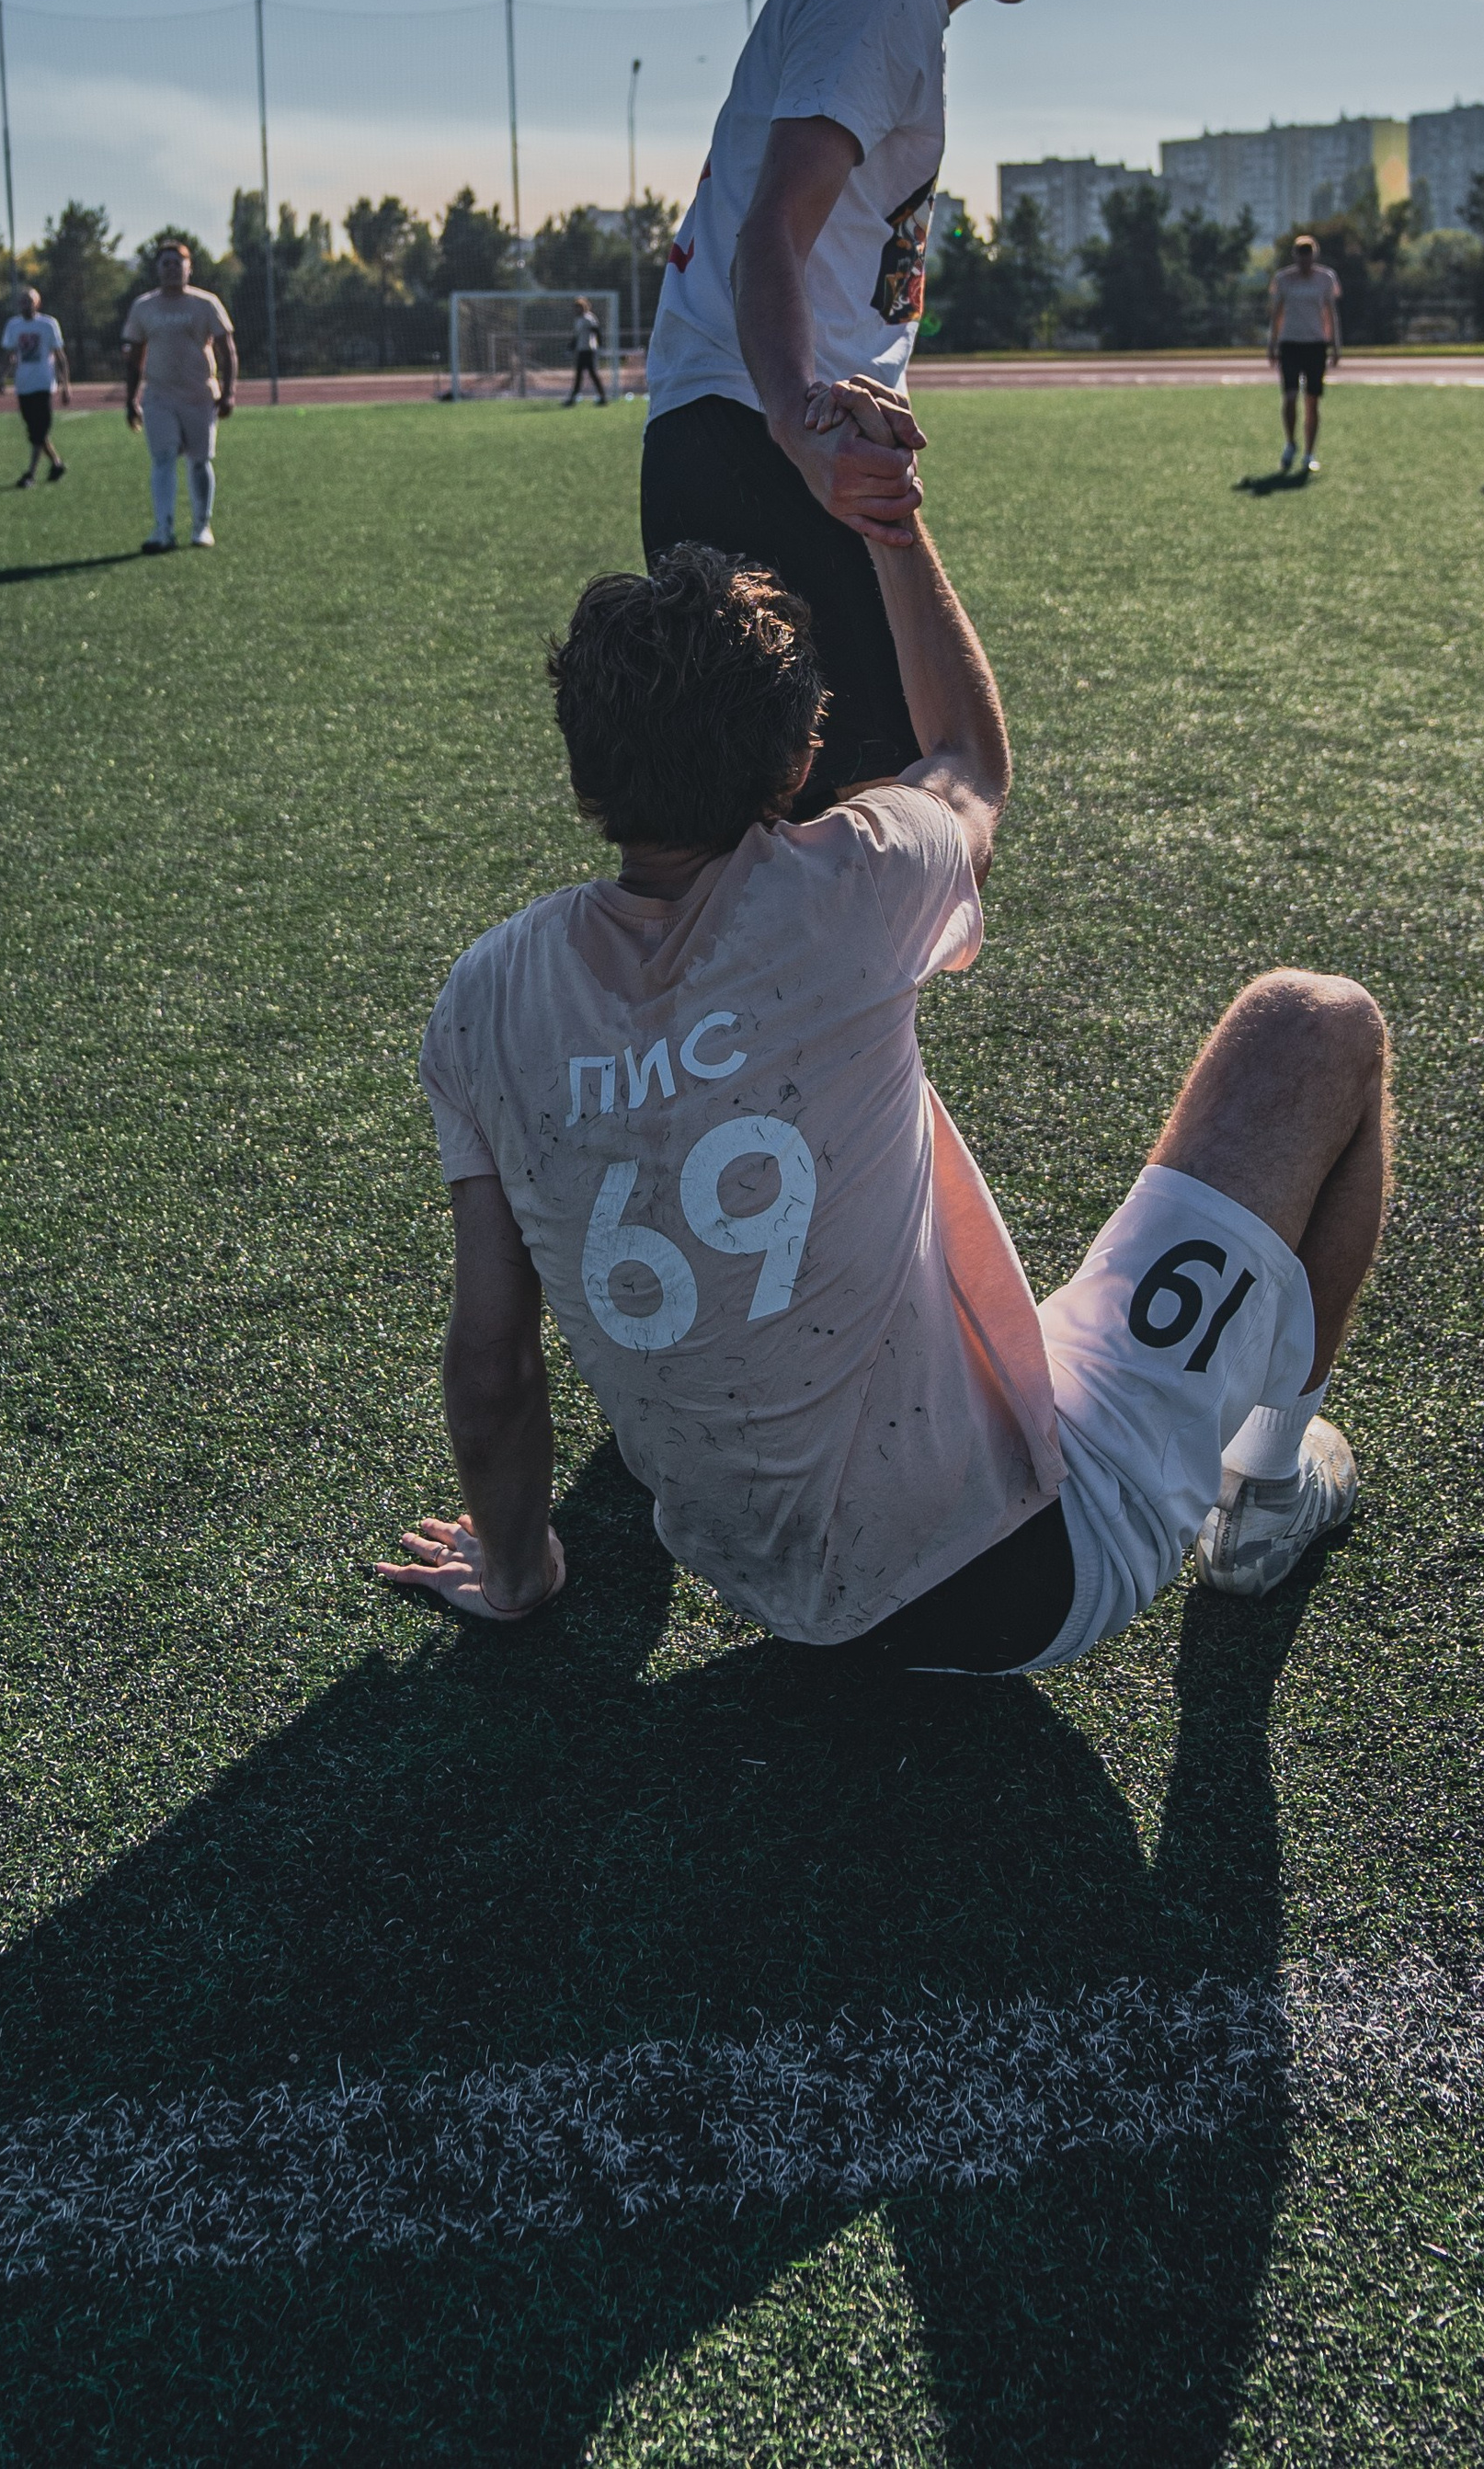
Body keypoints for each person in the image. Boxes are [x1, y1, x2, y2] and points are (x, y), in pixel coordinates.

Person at [381, 471, 1387, 1667]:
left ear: (583, 769)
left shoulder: (485, 996)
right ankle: (1270, 1489)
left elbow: (492, 1360)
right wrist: (893, 525)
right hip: (1029, 1571)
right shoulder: (848, 881)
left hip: (771, 1589)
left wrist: (516, 1573)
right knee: (1317, 1021)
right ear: (798, 760)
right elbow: (969, 757)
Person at [639, 0, 1136, 807]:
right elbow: (770, 228)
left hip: (760, 440)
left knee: (810, 838)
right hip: (758, 443)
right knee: (883, 827)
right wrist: (799, 430)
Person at [121, 241, 237, 553]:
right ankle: (163, 530)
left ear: (189, 268)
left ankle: (202, 526)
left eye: (178, 263)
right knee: (163, 458)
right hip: (159, 395)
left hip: (199, 395)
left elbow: (227, 349)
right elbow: (134, 355)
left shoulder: (206, 303)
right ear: (157, 269)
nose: (172, 268)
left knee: (200, 461)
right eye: (166, 263)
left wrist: (228, 393)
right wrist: (130, 399)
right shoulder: (144, 306)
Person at [1266, 232, 1342, 475]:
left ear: (1314, 257)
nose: (1305, 262)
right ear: (1295, 257)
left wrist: (1335, 344)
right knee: (1289, 397)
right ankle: (1290, 443)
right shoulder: (1284, 279)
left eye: (1309, 257)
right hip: (1290, 343)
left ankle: (1309, 453)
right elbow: (1277, 313)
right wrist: (1272, 343)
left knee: (1312, 400)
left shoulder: (1325, 278)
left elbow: (1330, 311)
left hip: (1315, 344)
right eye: (1301, 257)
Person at [0, 281, 69, 486]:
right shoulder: (13, 326)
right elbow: (9, 354)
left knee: (40, 428)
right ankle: (56, 464)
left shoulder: (48, 324)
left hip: (44, 384)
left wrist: (66, 386)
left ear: (37, 303)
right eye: (23, 302)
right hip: (24, 384)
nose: (26, 305)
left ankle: (30, 474)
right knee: (35, 431)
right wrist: (2, 377)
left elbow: (60, 356)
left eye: (30, 301)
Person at [565, 296, 608, 406]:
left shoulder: (589, 318)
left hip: (589, 350)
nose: (576, 310)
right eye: (575, 308)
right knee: (580, 374)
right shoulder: (578, 320)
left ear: (584, 307)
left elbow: (597, 332)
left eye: (579, 307)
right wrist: (571, 347)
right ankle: (573, 398)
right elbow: (577, 336)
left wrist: (600, 345)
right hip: (581, 350)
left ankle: (602, 397)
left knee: (591, 374)